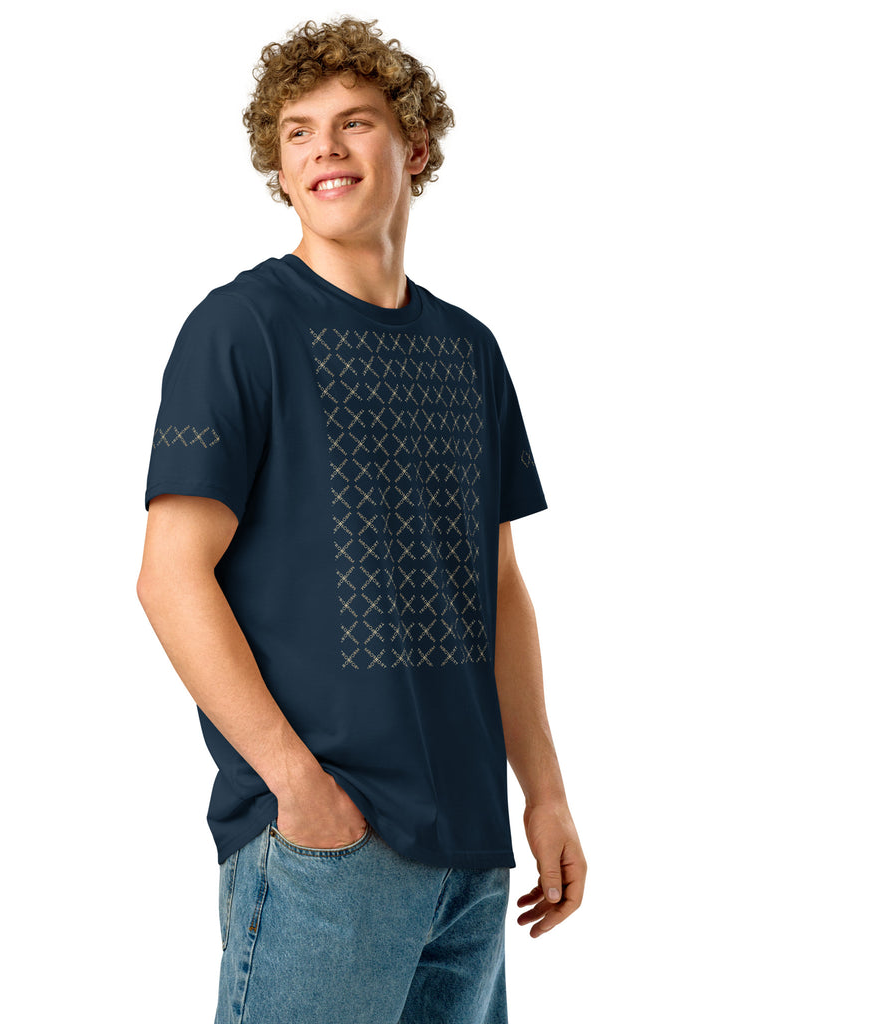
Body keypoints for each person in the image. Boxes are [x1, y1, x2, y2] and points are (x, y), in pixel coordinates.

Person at [136, 17, 585, 1024]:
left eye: (354, 122)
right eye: (297, 131)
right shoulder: (241, 329)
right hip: (325, 846)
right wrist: (297, 786)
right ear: (278, 165)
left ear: (414, 146)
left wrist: (544, 792)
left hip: (470, 854)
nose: (323, 149)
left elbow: (498, 588)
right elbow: (169, 574)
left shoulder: (470, 351)